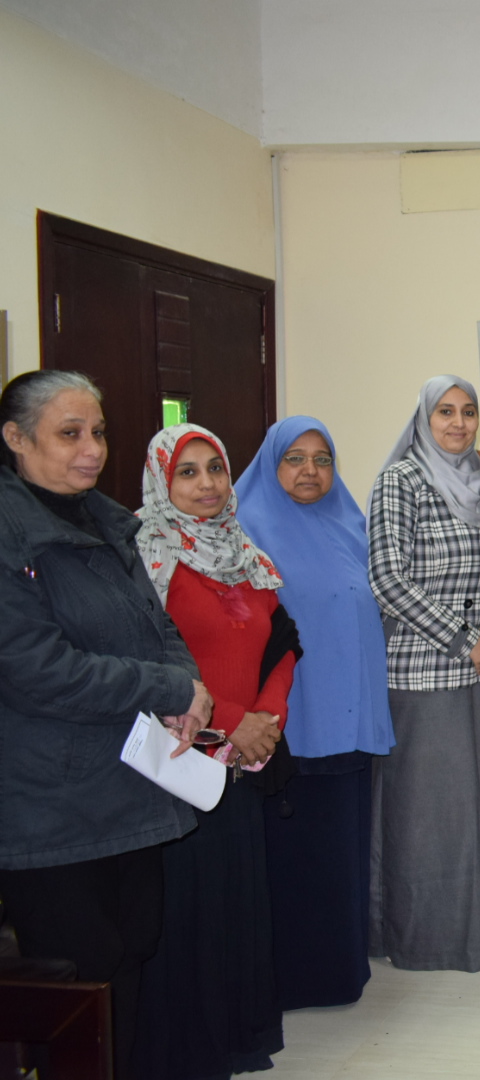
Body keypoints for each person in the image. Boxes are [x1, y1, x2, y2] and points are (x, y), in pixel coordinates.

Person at [0, 370, 212, 1078]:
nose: (91, 449)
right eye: (70, 434)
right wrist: (167, 685)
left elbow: (157, 626)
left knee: (130, 952)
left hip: (129, 786)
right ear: (16, 438)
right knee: (78, 974)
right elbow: (38, 670)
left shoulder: (106, 519)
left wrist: (188, 686)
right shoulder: (10, 534)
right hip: (50, 809)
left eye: (97, 432)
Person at [130, 423, 297, 1080]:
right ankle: (187, 1052)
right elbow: (146, 663)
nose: (207, 485)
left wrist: (267, 720)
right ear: (161, 481)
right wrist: (232, 723)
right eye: (188, 472)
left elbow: (282, 644)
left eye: (216, 469)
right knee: (188, 908)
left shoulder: (244, 552)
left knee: (236, 900)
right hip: (179, 764)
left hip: (243, 763)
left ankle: (235, 1038)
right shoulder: (145, 558)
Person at [237, 416, 395, 1008]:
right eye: (295, 459)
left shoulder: (351, 524)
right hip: (290, 723)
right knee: (295, 855)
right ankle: (293, 980)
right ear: (270, 465)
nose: (310, 471)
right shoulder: (245, 529)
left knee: (341, 852)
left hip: (349, 721)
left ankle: (340, 972)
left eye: (322, 459)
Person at [367, 374, 480, 973]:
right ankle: (422, 939)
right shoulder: (402, 481)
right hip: (423, 675)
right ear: (424, 419)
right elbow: (387, 579)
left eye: (468, 411)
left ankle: (471, 935)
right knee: (425, 816)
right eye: (445, 411)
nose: (458, 423)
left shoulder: (479, 484)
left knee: (472, 812)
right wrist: (464, 637)